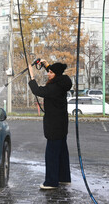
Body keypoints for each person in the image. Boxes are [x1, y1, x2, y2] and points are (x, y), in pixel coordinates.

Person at [28, 59, 72, 190]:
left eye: (50, 72)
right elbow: (54, 74)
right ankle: (64, 178)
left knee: (52, 154)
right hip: (61, 125)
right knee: (62, 152)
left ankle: (51, 182)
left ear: (56, 74)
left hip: (54, 126)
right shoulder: (62, 83)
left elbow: (37, 91)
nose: (48, 73)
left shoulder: (54, 88)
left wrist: (31, 76)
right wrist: (47, 65)